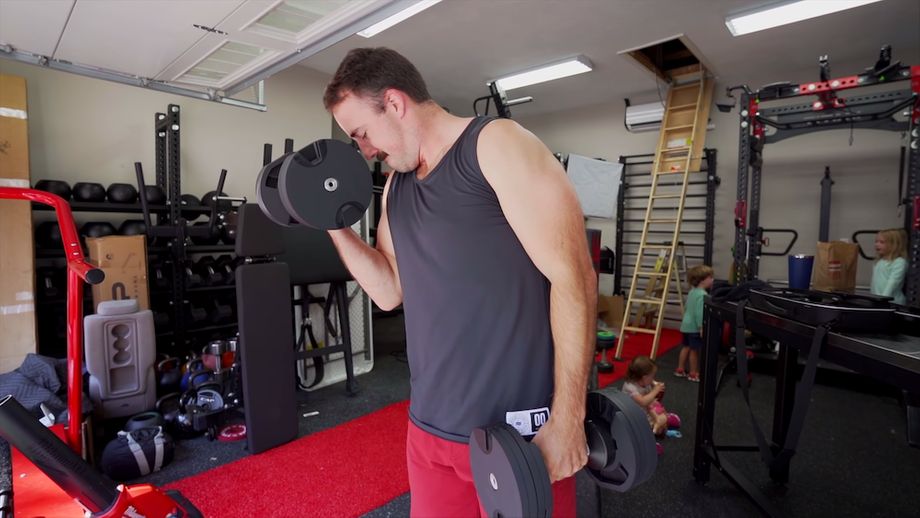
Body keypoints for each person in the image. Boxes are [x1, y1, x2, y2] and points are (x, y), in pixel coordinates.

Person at [322, 47, 597, 517]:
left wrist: (569, 416)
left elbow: (575, 278)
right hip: (430, 431)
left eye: (362, 133)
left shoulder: (496, 145)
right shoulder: (396, 187)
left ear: (394, 102)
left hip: (520, 434)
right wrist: (332, 224)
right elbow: (389, 291)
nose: (365, 150)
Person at [621, 356, 680, 441]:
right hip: (634, 418)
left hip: (646, 411)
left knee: (661, 414)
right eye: (652, 376)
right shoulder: (630, 387)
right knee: (659, 422)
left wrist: (657, 386)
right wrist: (655, 390)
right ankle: (653, 436)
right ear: (644, 377)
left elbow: (650, 403)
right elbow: (643, 402)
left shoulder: (644, 381)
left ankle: (660, 427)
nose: (653, 379)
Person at [674, 264, 714, 382]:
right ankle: (693, 373)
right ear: (702, 280)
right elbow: (699, 313)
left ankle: (680, 369)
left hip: (686, 325)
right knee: (694, 350)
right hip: (694, 327)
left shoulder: (692, 292)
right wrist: (702, 327)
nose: (712, 280)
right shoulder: (703, 295)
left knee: (685, 347)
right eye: (710, 277)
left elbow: (687, 307)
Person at [870, 228, 908, 305]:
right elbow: (875, 284)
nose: (877, 244)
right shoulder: (879, 261)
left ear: (894, 245)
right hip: (879, 301)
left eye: (882, 242)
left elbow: (892, 284)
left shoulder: (899, 262)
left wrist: (882, 300)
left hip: (892, 303)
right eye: (876, 241)